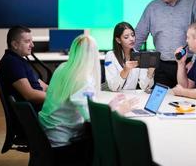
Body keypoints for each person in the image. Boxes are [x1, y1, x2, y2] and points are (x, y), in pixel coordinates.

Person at [39, 34, 136, 164]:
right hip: (63, 145)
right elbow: (93, 119)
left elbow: (86, 108)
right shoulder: (83, 79)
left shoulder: (62, 68)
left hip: (47, 136)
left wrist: (109, 107)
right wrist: (119, 111)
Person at [134, 0, 196, 88]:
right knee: (161, 103)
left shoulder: (194, 3)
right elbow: (138, 37)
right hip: (161, 67)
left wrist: (194, 62)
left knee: (187, 103)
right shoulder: (152, 8)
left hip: (188, 65)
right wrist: (124, 59)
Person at [0, 25, 47, 112]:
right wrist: (56, 98)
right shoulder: (12, 63)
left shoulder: (20, 60)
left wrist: (62, 93)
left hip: (41, 108)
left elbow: (44, 86)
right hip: (34, 115)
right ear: (15, 44)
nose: (32, 45)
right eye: (27, 41)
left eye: (32, 41)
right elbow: (30, 95)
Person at [105, 22, 155, 91]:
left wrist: (150, 72)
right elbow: (113, 87)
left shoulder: (139, 56)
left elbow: (144, 87)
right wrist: (125, 70)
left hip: (131, 97)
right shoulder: (110, 56)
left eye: (133, 35)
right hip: (116, 97)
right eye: (126, 37)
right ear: (118, 40)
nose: (131, 39)